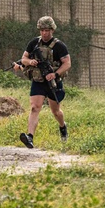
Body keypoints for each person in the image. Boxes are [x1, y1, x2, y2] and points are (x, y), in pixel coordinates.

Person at [15, 16, 71, 148]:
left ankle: (63, 127)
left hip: (53, 82)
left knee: (56, 112)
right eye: (42, 30)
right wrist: (30, 62)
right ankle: (30, 137)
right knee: (35, 107)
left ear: (52, 30)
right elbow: (24, 58)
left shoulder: (59, 46)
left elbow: (67, 63)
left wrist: (55, 74)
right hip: (38, 81)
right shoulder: (34, 43)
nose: (45, 33)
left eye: (47, 30)